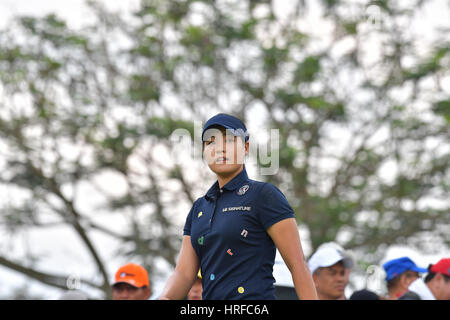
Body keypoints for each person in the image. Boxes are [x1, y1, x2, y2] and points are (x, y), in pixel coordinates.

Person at [159, 113, 317, 300]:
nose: (220, 149)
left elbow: (297, 264)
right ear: (204, 151)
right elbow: (184, 274)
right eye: (211, 142)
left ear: (246, 148)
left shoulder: (264, 195)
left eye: (229, 141)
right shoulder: (198, 209)